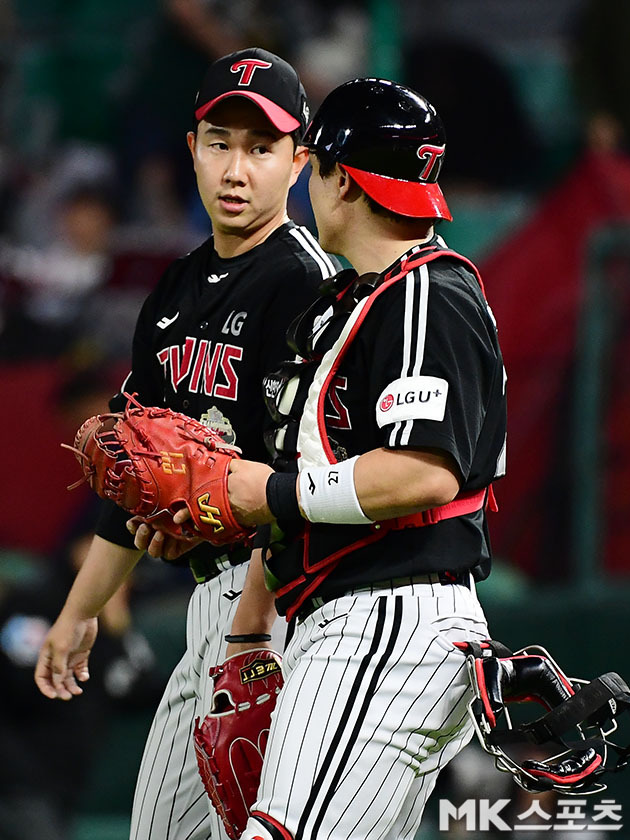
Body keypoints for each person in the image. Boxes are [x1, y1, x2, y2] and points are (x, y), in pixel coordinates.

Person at [34, 48, 340, 840]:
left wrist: (246, 617)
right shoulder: (172, 290)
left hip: (277, 607)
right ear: (191, 150)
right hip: (210, 598)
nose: (237, 169)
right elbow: (133, 477)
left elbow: (309, 479)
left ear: (298, 163)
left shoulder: (304, 282)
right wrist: (80, 614)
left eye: (262, 148)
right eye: (220, 143)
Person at [200, 77, 508, 839]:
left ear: (337, 179)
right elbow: (310, 488)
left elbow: (421, 472)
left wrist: (271, 494)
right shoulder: (352, 303)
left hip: (391, 615)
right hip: (343, 616)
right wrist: (249, 634)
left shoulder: (426, 295)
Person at [0, 512, 163, 840]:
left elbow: (143, 690)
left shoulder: (108, 626)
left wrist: (120, 631)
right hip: (16, 780)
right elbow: (25, 683)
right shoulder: (37, 601)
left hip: (61, 785)